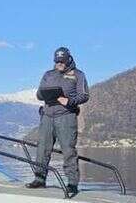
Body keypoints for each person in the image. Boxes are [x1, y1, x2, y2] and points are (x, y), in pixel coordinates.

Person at [25, 47, 89, 195]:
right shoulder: (48, 75)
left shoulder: (78, 75)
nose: (59, 64)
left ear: (69, 60)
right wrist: (44, 93)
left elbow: (84, 96)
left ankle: (72, 183)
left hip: (66, 116)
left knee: (68, 150)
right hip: (47, 116)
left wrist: (69, 100)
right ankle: (40, 179)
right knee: (42, 149)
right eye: (57, 61)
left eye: (62, 61)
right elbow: (39, 95)